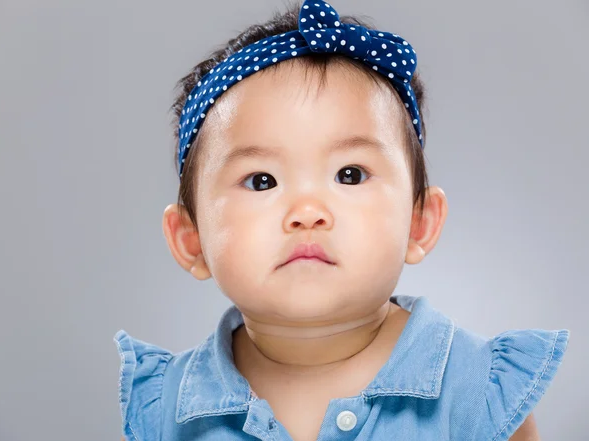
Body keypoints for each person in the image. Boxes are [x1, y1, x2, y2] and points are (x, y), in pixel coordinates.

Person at [113, 1, 570, 440]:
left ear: (419, 223)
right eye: (261, 181)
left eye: (349, 175)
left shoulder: (479, 394)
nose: (307, 212)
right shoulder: (163, 412)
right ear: (190, 240)